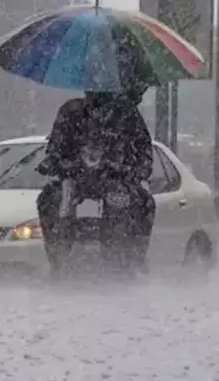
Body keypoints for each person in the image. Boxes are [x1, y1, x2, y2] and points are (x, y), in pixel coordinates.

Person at [36, 83, 156, 277]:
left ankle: (132, 259)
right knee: (49, 199)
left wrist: (131, 171)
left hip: (116, 181)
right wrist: (58, 164)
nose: (97, 94)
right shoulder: (71, 112)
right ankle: (57, 258)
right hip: (74, 180)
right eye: (93, 87)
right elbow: (54, 150)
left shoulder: (127, 115)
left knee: (143, 203)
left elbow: (144, 153)